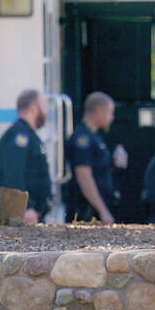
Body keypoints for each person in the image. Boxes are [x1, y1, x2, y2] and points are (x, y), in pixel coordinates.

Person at [0, 89, 51, 225]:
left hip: (33, 214)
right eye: (45, 106)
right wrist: (26, 207)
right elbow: (12, 174)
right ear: (33, 108)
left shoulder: (29, 135)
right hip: (23, 215)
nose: (47, 112)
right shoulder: (19, 135)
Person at [66, 92, 121, 225]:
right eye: (110, 113)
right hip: (86, 212)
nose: (112, 118)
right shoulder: (82, 139)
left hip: (95, 209)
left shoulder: (95, 137)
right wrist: (103, 211)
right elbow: (84, 177)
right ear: (99, 112)